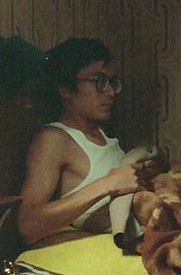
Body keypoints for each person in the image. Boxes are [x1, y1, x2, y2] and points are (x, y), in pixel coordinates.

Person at [17, 38, 149, 245]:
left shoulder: (102, 133)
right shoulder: (54, 139)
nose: (111, 92)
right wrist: (107, 184)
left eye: (111, 83)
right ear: (65, 88)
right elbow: (27, 224)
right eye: (99, 81)